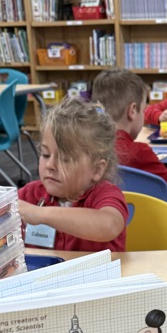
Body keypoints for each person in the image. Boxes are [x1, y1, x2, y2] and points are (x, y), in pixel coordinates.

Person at [17, 97, 129, 253]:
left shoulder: (105, 195)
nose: (50, 165)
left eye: (65, 159)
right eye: (46, 154)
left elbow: (109, 225)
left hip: (98, 277)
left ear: (97, 169)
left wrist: (40, 214)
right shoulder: (30, 194)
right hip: (45, 276)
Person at [92, 68, 167, 199]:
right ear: (132, 111)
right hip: (143, 217)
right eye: (143, 110)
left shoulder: (88, 147)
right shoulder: (140, 152)